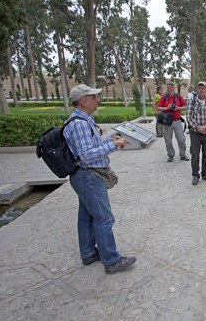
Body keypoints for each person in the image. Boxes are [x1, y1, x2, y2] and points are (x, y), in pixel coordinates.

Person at [63, 84, 136, 274]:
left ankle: (88, 253)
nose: (98, 99)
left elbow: (92, 144)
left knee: (86, 216)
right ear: (83, 101)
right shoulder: (79, 123)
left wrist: (111, 141)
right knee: (104, 218)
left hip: (83, 175)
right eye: (94, 97)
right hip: (89, 175)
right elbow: (86, 155)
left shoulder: (83, 120)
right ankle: (111, 260)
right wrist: (114, 145)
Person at [186, 81, 206, 186]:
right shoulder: (192, 101)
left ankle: (205, 173)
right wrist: (197, 127)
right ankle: (195, 175)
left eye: (203, 88)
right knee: (195, 154)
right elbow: (189, 117)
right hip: (195, 133)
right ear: (197, 90)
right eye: (199, 88)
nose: (201, 90)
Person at [157, 82, 190, 162]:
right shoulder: (164, 97)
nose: (171, 89)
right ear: (167, 88)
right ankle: (171, 155)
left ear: (174, 88)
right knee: (168, 140)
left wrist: (178, 108)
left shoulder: (178, 96)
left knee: (181, 139)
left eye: (172, 88)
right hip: (167, 122)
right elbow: (158, 108)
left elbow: (186, 107)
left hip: (177, 121)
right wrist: (167, 108)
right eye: (169, 88)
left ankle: (183, 155)